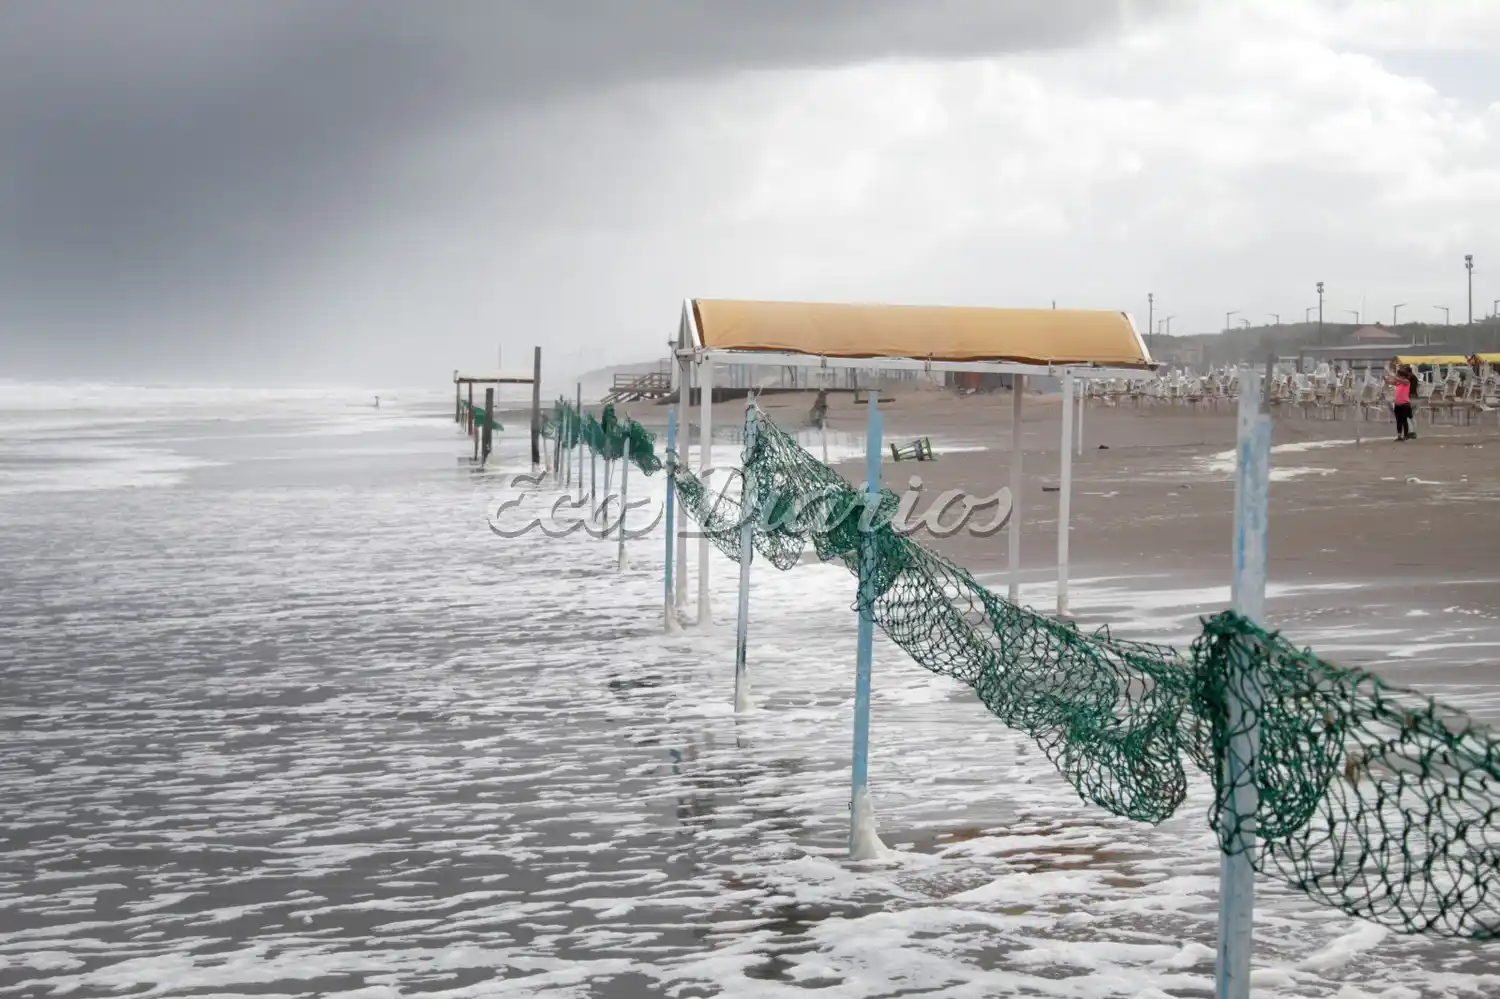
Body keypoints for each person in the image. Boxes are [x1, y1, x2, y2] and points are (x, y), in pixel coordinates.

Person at [1386, 364, 1417, 441]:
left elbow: (1398, 380)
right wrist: (1386, 378)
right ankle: (1399, 435)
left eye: (1399, 375)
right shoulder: (1398, 383)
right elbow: (1390, 382)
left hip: (1404, 404)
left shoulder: (1406, 382)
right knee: (1398, 421)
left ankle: (1406, 435)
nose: (1398, 376)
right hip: (1397, 404)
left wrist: (1393, 375)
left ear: (1402, 376)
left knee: (1404, 420)